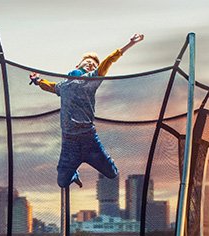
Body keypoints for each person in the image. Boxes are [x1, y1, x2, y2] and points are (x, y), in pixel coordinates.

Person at [28, 33, 144, 188]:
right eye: (88, 62)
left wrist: (129, 44)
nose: (91, 65)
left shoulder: (92, 80)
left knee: (112, 173)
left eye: (94, 65)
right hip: (69, 142)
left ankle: (92, 160)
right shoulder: (63, 86)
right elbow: (49, 85)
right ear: (78, 66)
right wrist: (37, 80)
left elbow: (108, 61)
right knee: (62, 182)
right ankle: (73, 171)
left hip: (89, 139)